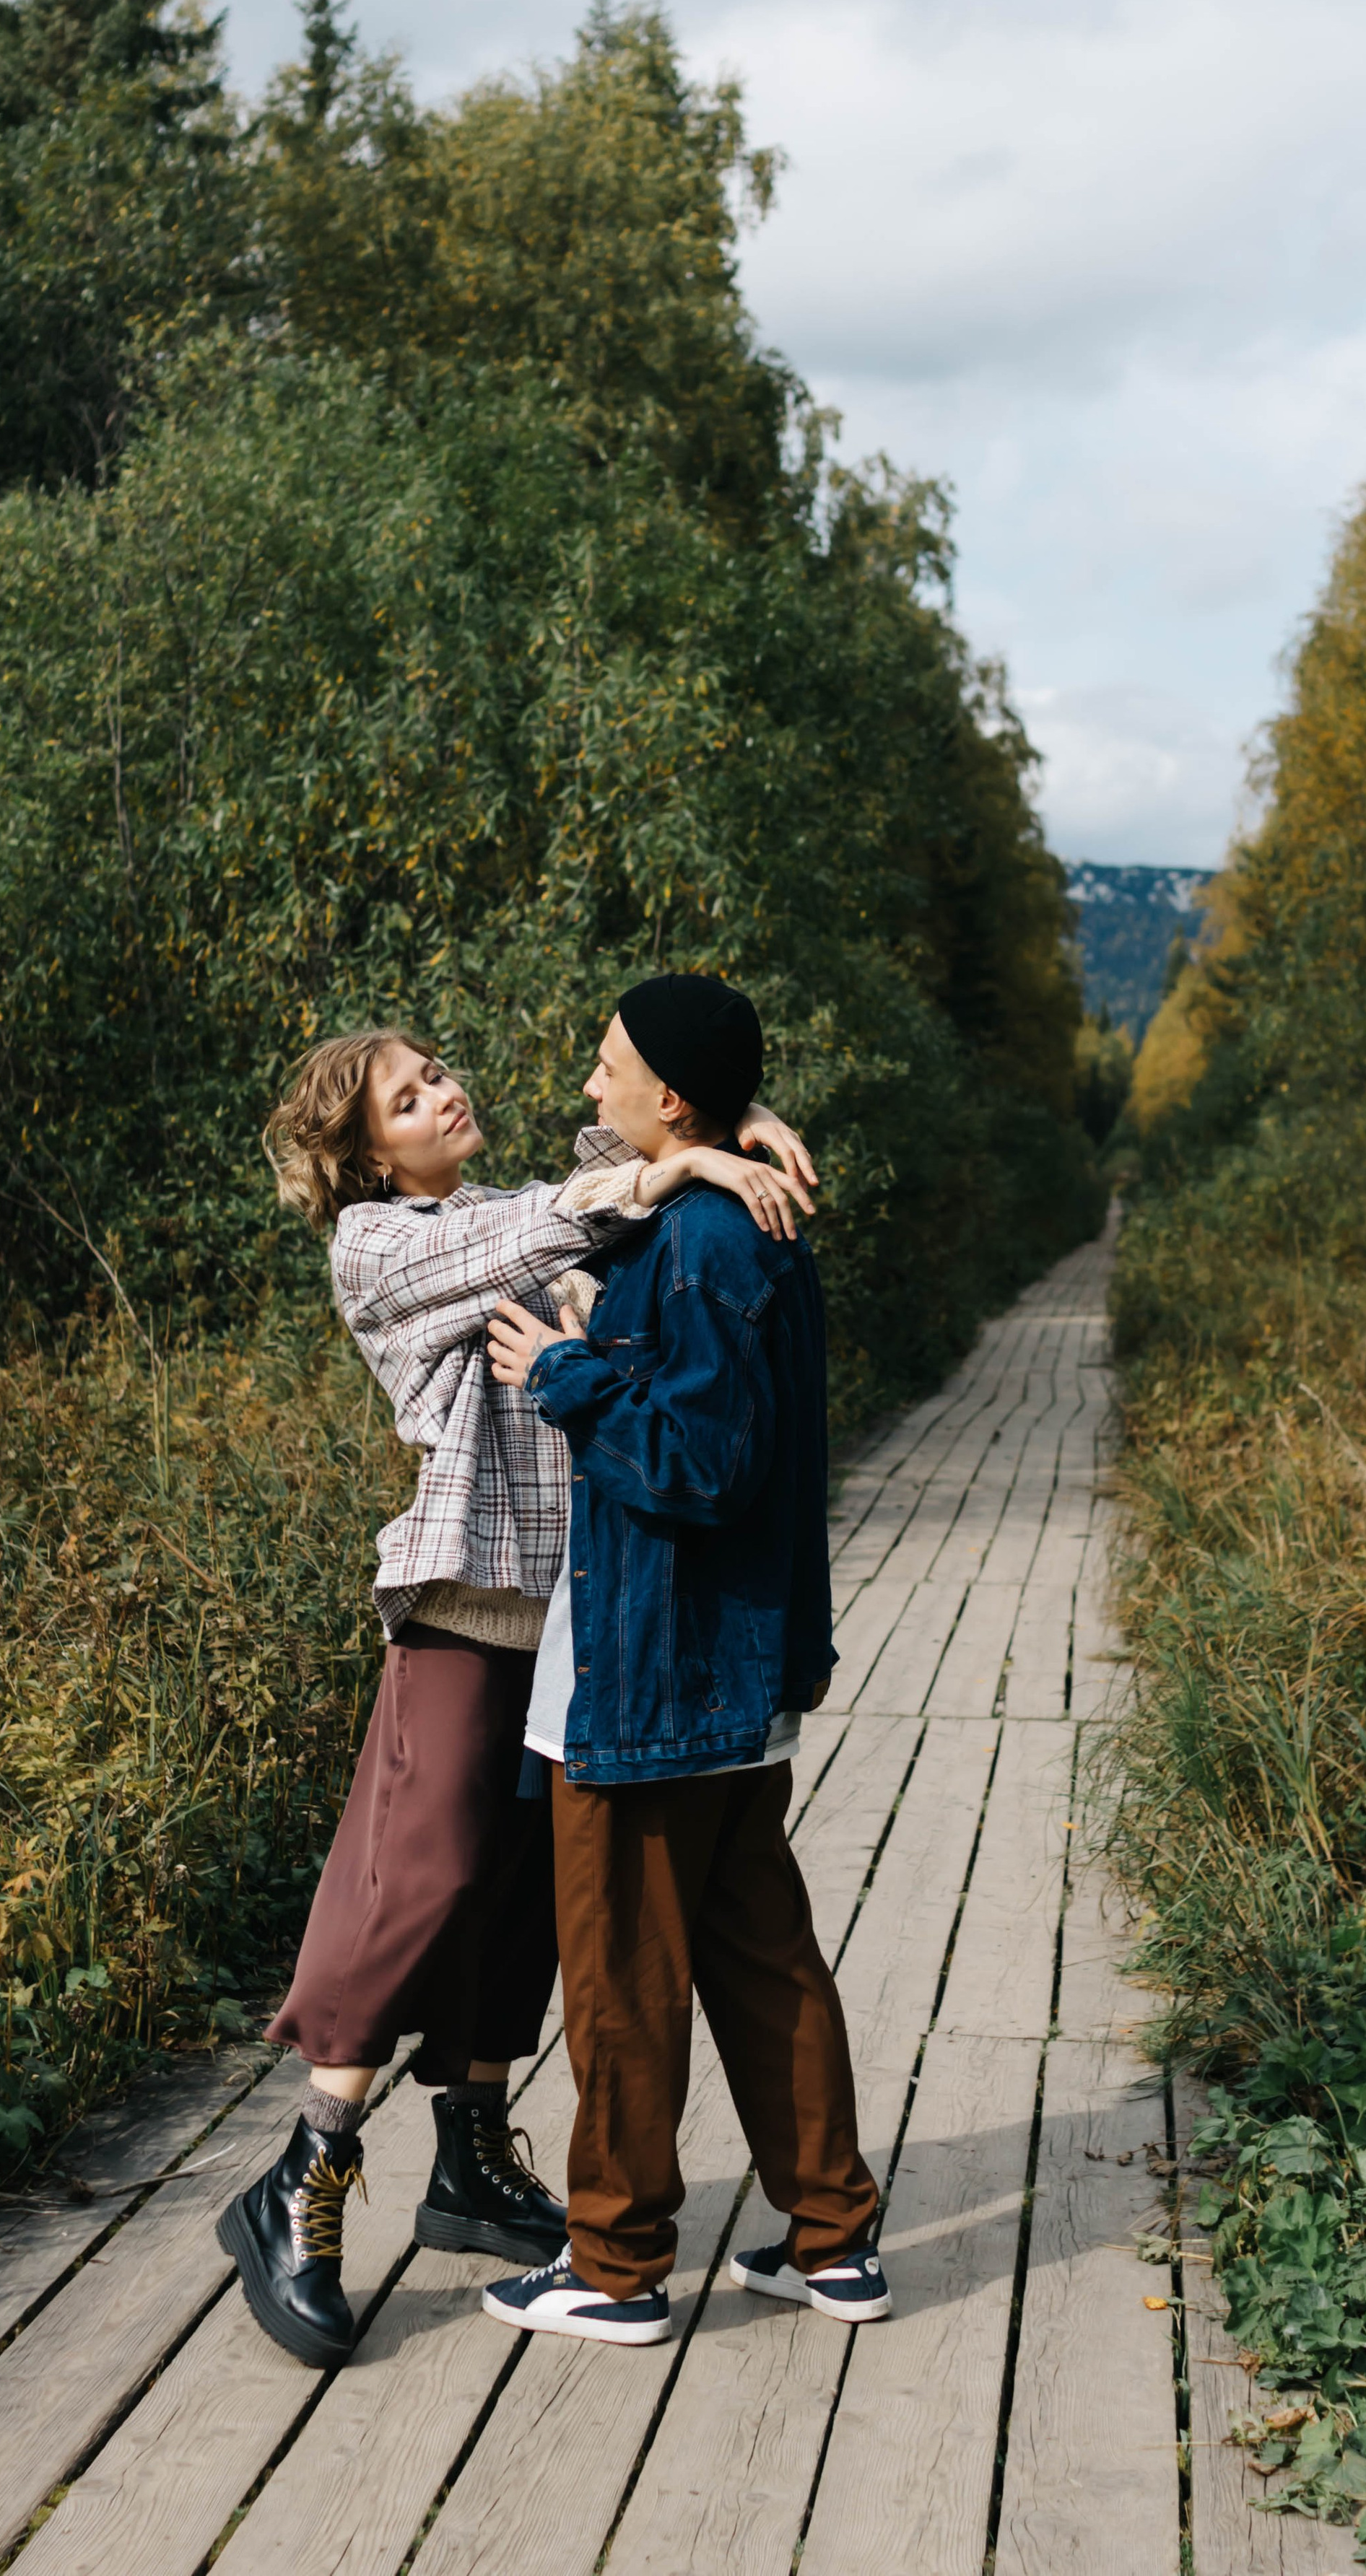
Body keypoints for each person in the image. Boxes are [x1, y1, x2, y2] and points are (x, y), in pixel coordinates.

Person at [216, 1024, 816, 2370]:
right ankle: (301, 2176)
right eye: (408, 1097)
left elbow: (622, 1156)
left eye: (437, 1072)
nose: (444, 1093)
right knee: (418, 1874)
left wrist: (732, 1121)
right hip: (462, 1609)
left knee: (526, 1887)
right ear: (367, 1154)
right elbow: (575, 1208)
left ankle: (471, 2159)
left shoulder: (500, 1208)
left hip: (569, 1616)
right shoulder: (379, 1248)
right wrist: (685, 1163)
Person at [479, 974, 890, 2347]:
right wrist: (729, 1129)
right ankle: (832, 2242)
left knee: (620, 1982)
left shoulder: (708, 1242)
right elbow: (614, 1186)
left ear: (669, 1093)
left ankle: (614, 2267)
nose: (588, 1088)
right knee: (764, 1961)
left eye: (609, 1068)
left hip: (653, 1681)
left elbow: (698, 1465)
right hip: (727, 1681)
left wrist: (562, 1372)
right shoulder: (732, 1214)